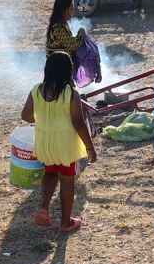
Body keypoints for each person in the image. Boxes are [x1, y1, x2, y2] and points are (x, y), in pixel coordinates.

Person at [21, 52, 97, 232]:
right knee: (67, 180)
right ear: (68, 71)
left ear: (47, 69)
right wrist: (89, 147)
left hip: (45, 142)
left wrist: (44, 119)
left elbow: (25, 115)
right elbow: (78, 124)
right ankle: (65, 222)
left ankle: (43, 208)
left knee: (50, 173)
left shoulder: (36, 90)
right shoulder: (70, 94)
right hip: (64, 145)